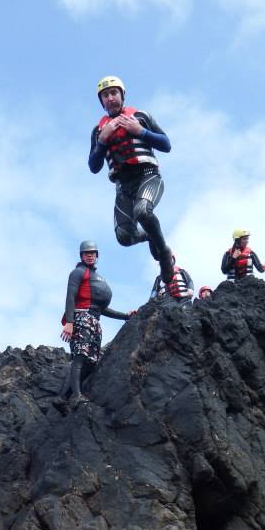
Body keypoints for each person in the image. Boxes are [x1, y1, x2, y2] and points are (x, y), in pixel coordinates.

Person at [88, 76, 175, 284]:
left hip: (147, 176)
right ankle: (152, 236)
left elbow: (166, 144)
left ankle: (163, 254)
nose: (109, 98)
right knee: (124, 237)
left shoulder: (141, 116)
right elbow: (93, 167)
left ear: (122, 95)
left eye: (113, 93)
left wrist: (141, 131)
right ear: (102, 101)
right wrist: (101, 142)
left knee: (143, 211)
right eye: (105, 96)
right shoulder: (99, 130)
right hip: (123, 187)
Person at [60, 240, 136, 405]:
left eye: (92, 253)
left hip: (95, 321)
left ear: (97, 255)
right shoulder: (78, 273)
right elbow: (70, 296)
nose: (90, 255)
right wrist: (70, 322)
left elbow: (103, 309)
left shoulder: (97, 277)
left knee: (91, 361)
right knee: (80, 356)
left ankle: (63, 397)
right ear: (82, 256)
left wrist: (125, 316)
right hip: (81, 318)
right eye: (86, 253)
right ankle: (77, 395)